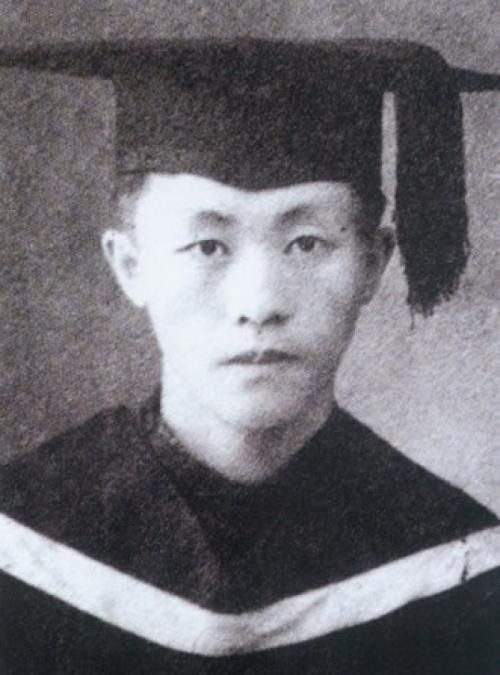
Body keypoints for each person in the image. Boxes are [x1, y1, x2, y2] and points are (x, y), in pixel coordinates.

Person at [0, 39, 498, 674]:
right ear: (130, 266)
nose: (259, 304)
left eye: (307, 243)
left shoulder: (456, 566)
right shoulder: (23, 541)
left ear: (373, 263)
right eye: (208, 246)